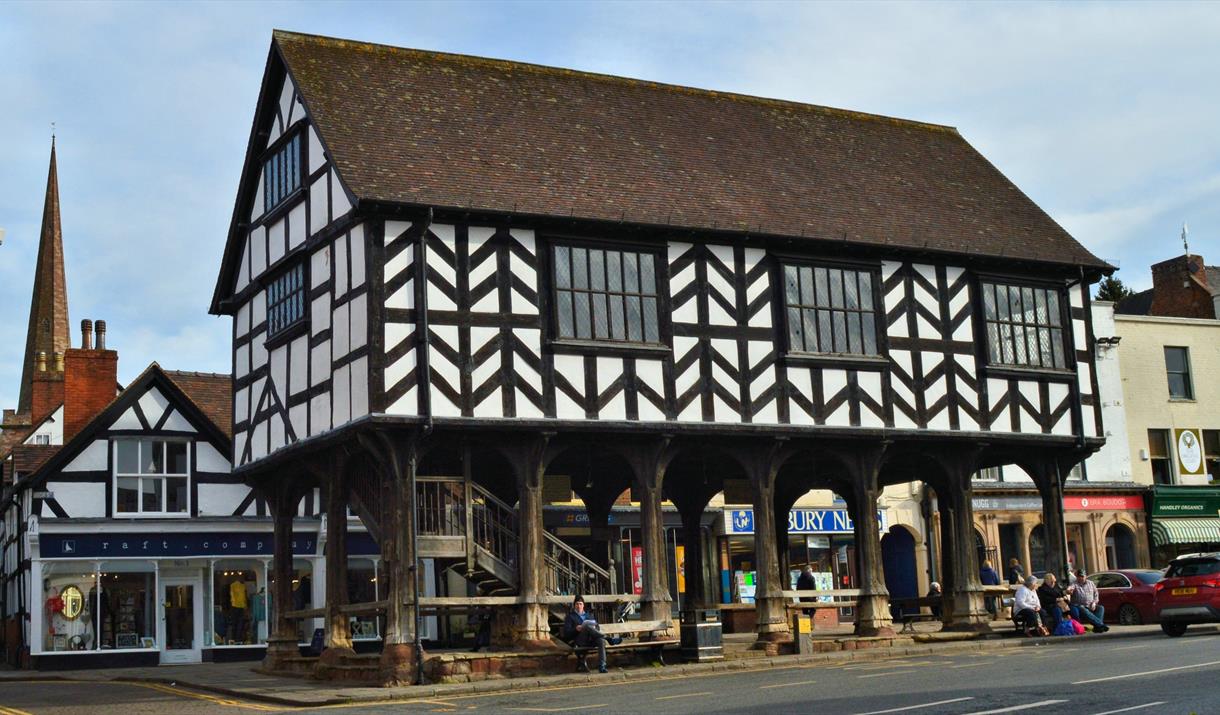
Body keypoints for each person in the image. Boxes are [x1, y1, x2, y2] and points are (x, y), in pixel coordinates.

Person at [562, 596, 619, 673]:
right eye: (577, 604)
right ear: (574, 605)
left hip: (591, 640)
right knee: (586, 627)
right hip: (579, 641)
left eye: (580, 604)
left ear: (583, 605)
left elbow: (597, 627)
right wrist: (576, 629)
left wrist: (595, 627)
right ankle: (608, 639)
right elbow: (566, 633)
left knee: (601, 641)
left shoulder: (588, 615)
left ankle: (602, 666)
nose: (579, 606)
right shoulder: (570, 617)